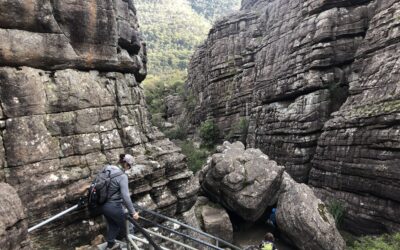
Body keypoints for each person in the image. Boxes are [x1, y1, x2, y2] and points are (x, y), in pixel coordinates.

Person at [101, 154, 140, 250]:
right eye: (129, 165)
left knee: (113, 224)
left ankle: (110, 245)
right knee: (129, 226)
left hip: (102, 204)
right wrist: (133, 213)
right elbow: (126, 197)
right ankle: (132, 247)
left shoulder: (108, 168)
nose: (129, 168)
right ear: (126, 163)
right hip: (113, 206)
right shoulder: (122, 176)